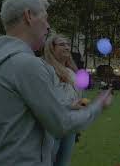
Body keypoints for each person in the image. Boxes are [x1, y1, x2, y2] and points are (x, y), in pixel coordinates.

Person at [0, 0, 112, 166]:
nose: (48, 26)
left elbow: (20, 113)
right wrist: (98, 106)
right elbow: (61, 123)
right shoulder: (26, 64)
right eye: (45, 18)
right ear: (28, 16)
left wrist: (66, 105)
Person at [43, 34, 81, 166]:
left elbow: (76, 96)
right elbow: (45, 100)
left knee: (64, 162)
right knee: (49, 161)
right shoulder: (47, 70)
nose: (66, 47)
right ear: (52, 48)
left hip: (70, 125)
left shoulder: (71, 72)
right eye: (61, 44)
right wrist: (70, 105)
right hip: (53, 126)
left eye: (67, 44)